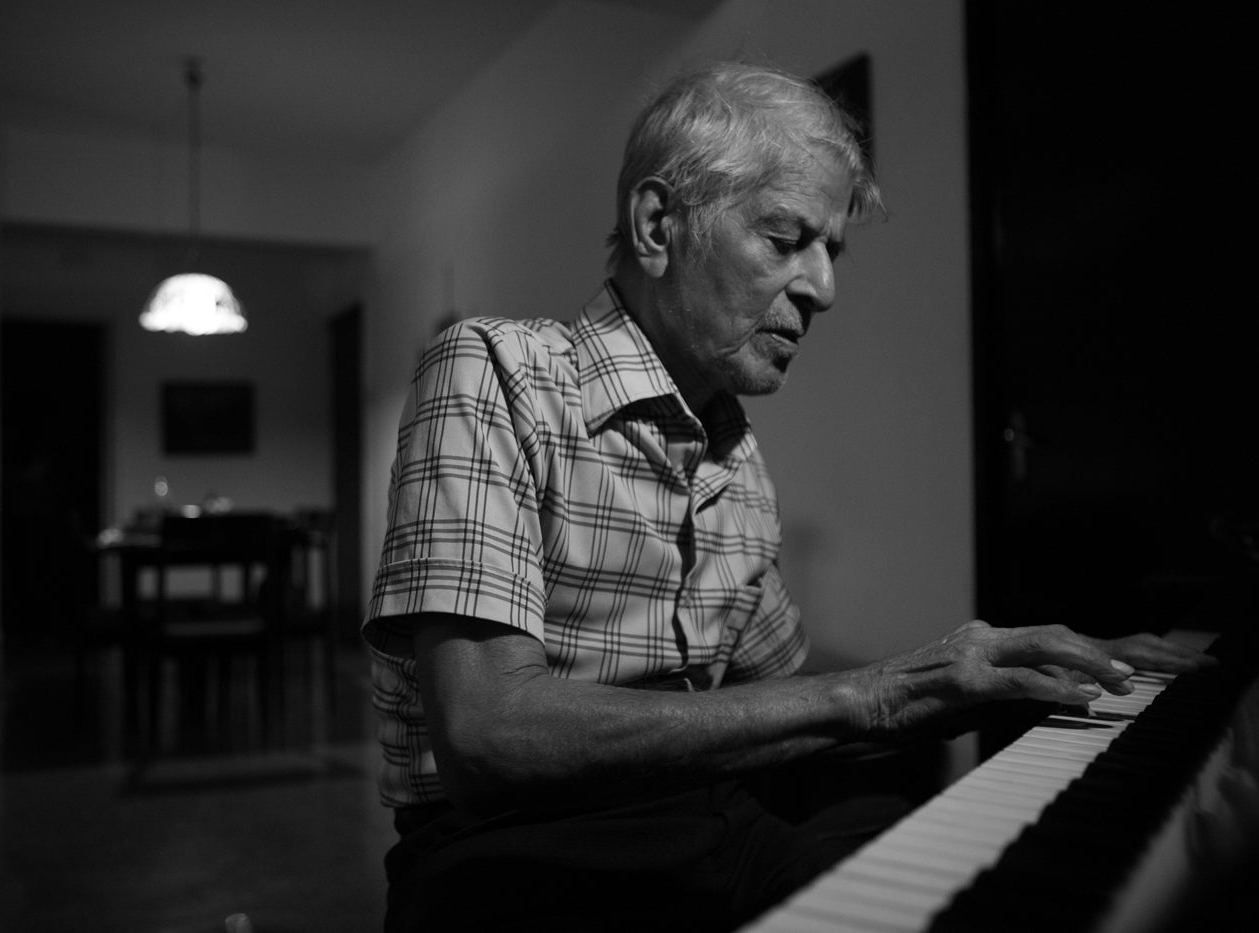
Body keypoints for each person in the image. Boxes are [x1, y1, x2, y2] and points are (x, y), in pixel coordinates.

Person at [361, 60, 1212, 931]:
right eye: (784, 240)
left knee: (976, 867)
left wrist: (1002, 673)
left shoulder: (735, 454)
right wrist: (883, 693)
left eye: (831, 250)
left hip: (707, 826)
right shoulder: (498, 369)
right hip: (511, 862)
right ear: (658, 226)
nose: (823, 288)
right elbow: (490, 733)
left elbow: (788, 685)